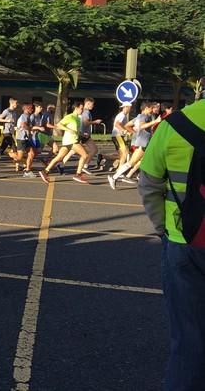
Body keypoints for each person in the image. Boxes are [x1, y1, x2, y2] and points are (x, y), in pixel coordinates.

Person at [138, 87, 205, 391]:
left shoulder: (173, 125)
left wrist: (162, 228)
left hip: (183, 241)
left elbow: (149, 184)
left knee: (188, 337)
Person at [108, 101, 161, 189]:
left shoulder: (140, 116)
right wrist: (155, 121)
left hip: (144, 142)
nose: (152, 110)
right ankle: (114, 177)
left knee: (144, 161)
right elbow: (142, 126)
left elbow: (127, 125)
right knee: (131, 163)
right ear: (146, 108)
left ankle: (133, 176)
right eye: (151, 108)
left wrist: (134, 133)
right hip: (142, 143)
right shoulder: (143, 116)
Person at [39, 101, 89, 184]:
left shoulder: (78, 118)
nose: (82, 110)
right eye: (81, 108)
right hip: (71, 140)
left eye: (83, 109)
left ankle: (45, 171)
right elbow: (59, 125)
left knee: (59, 158)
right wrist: (69, 130)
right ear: (76, 108)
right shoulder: (70, 117)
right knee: (85, 155)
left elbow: (76, 131)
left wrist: (83, 134)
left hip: (70, 141)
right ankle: (78, 174)